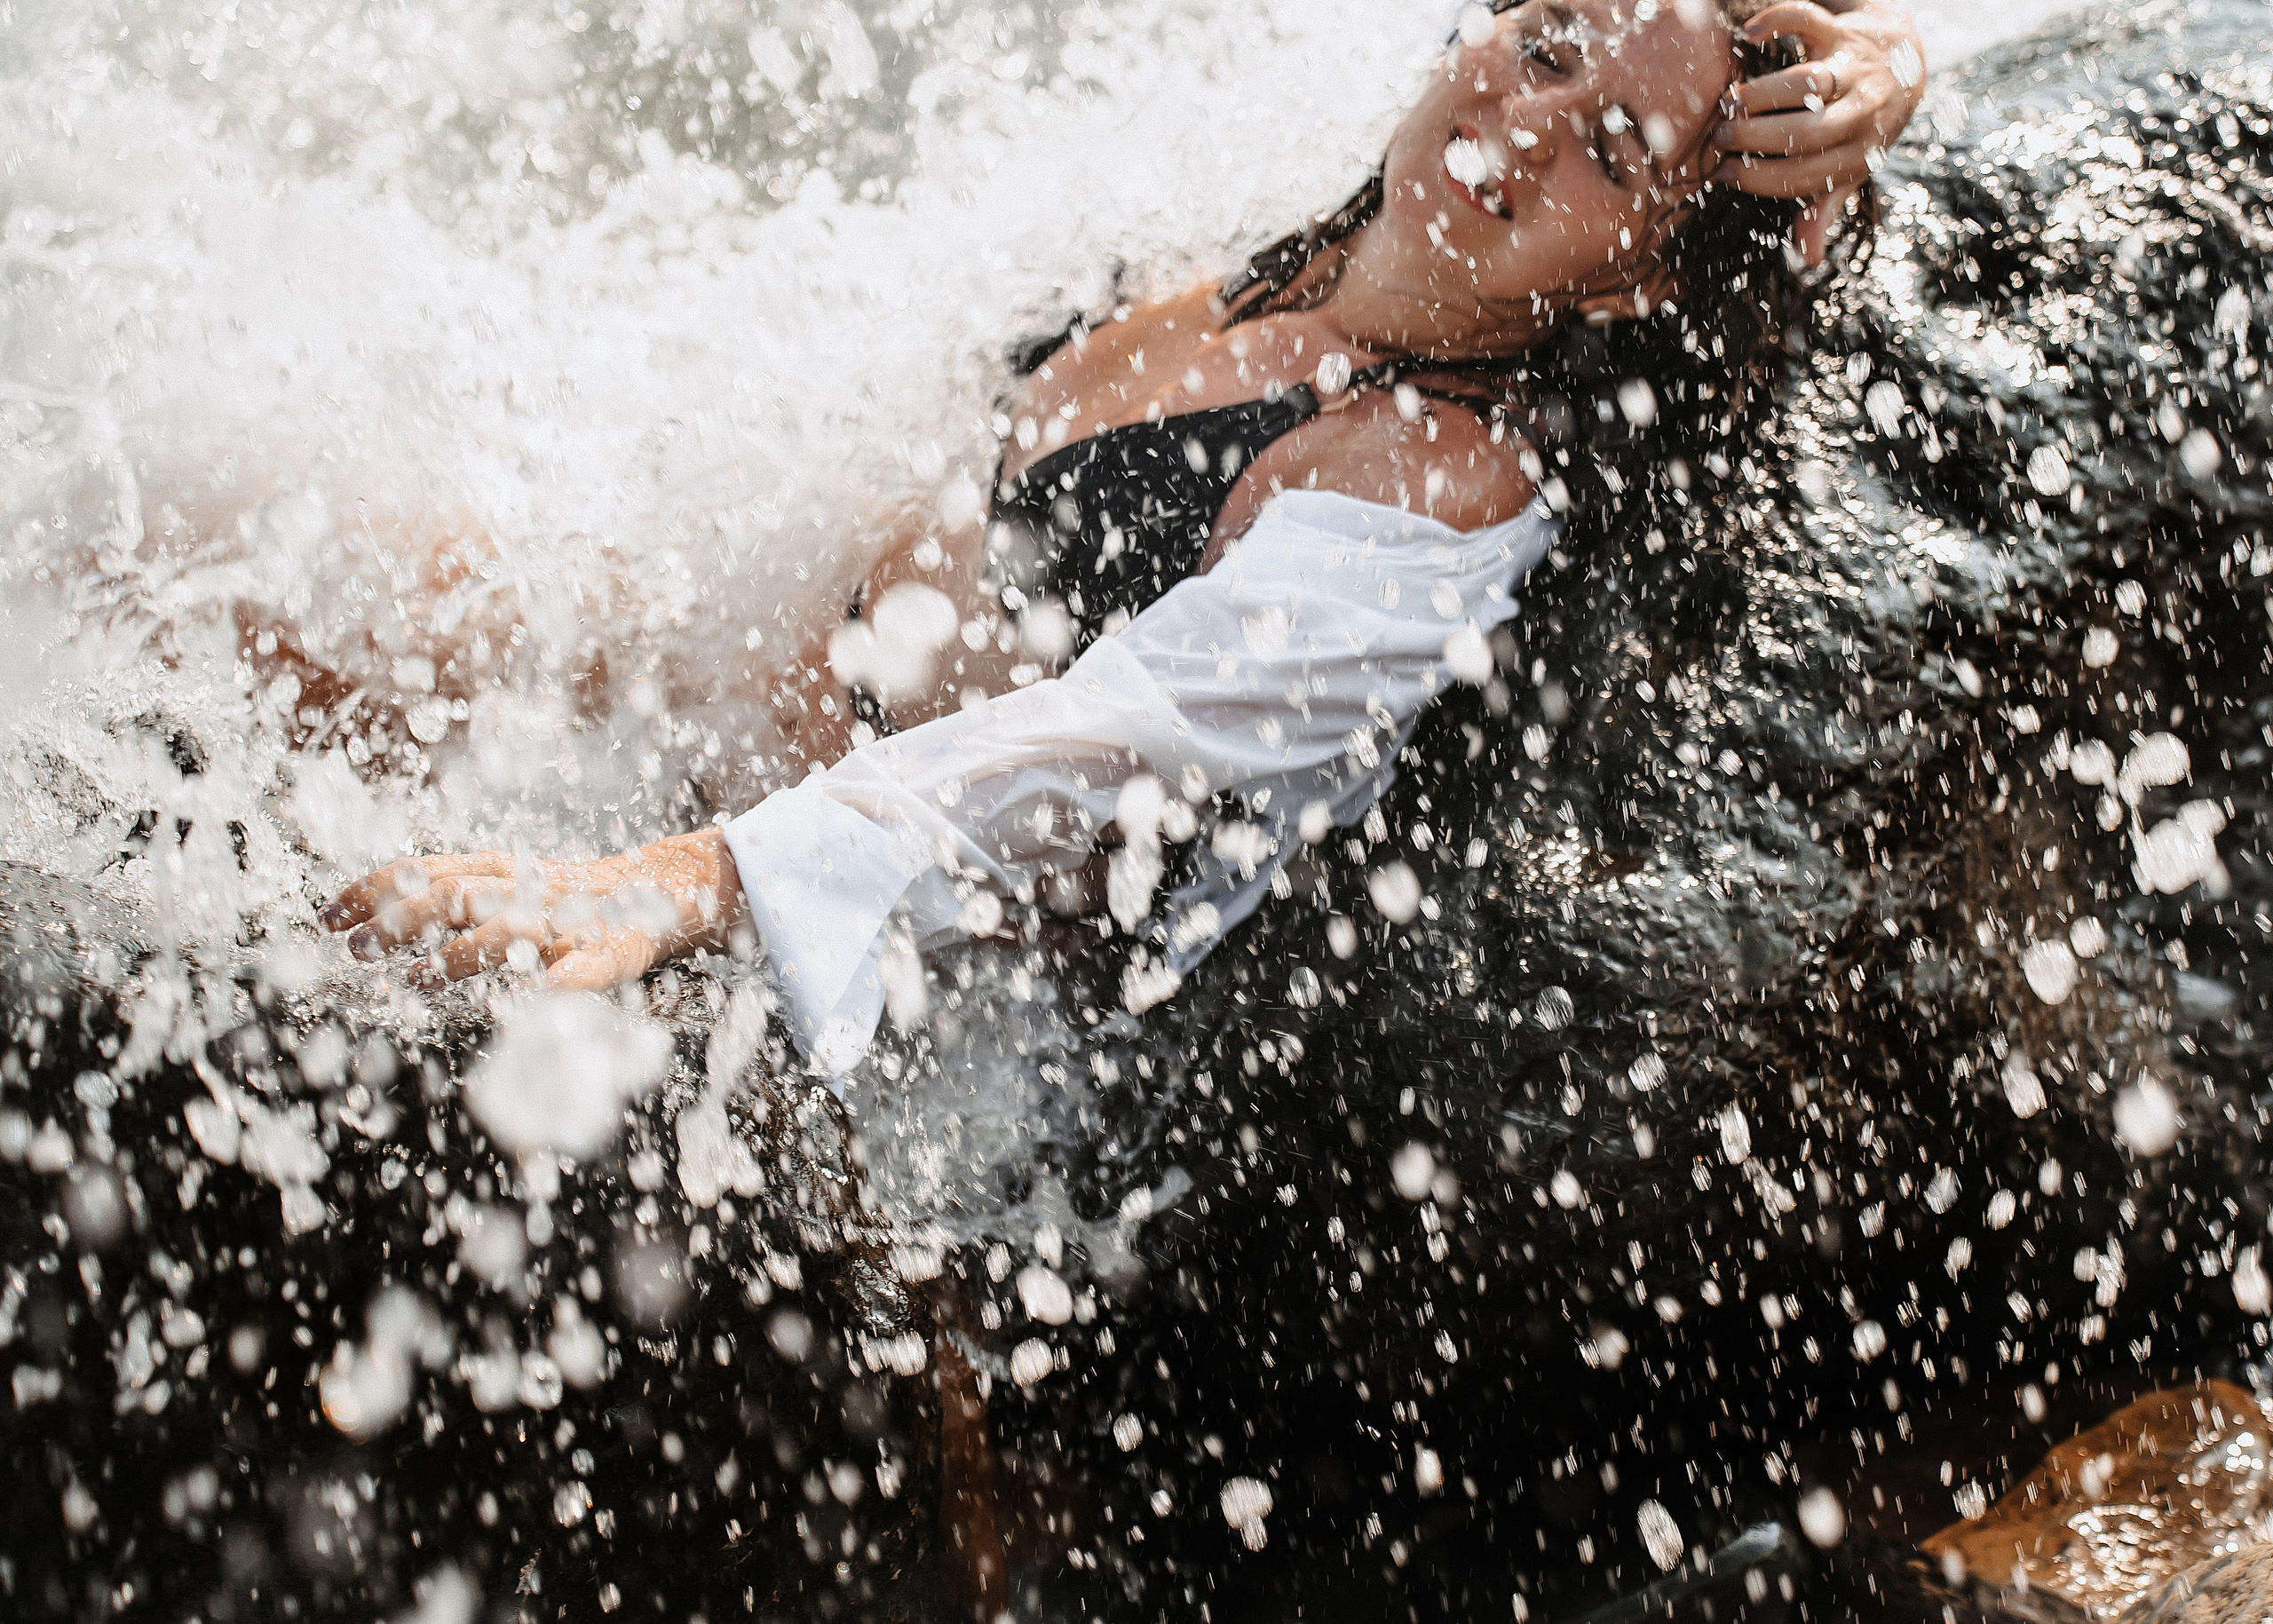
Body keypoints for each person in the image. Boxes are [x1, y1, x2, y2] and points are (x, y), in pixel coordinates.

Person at [319, 0, 1927, 1072]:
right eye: (1553, 41)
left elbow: (1105, 742)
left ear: (1631, 283)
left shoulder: (1435, 492)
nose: (1535, 117)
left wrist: (686, 875)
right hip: (732, 686)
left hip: (882, 962)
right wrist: (1884, 48)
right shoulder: (1306, 234)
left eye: (1616, 153)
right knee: (287, 586)